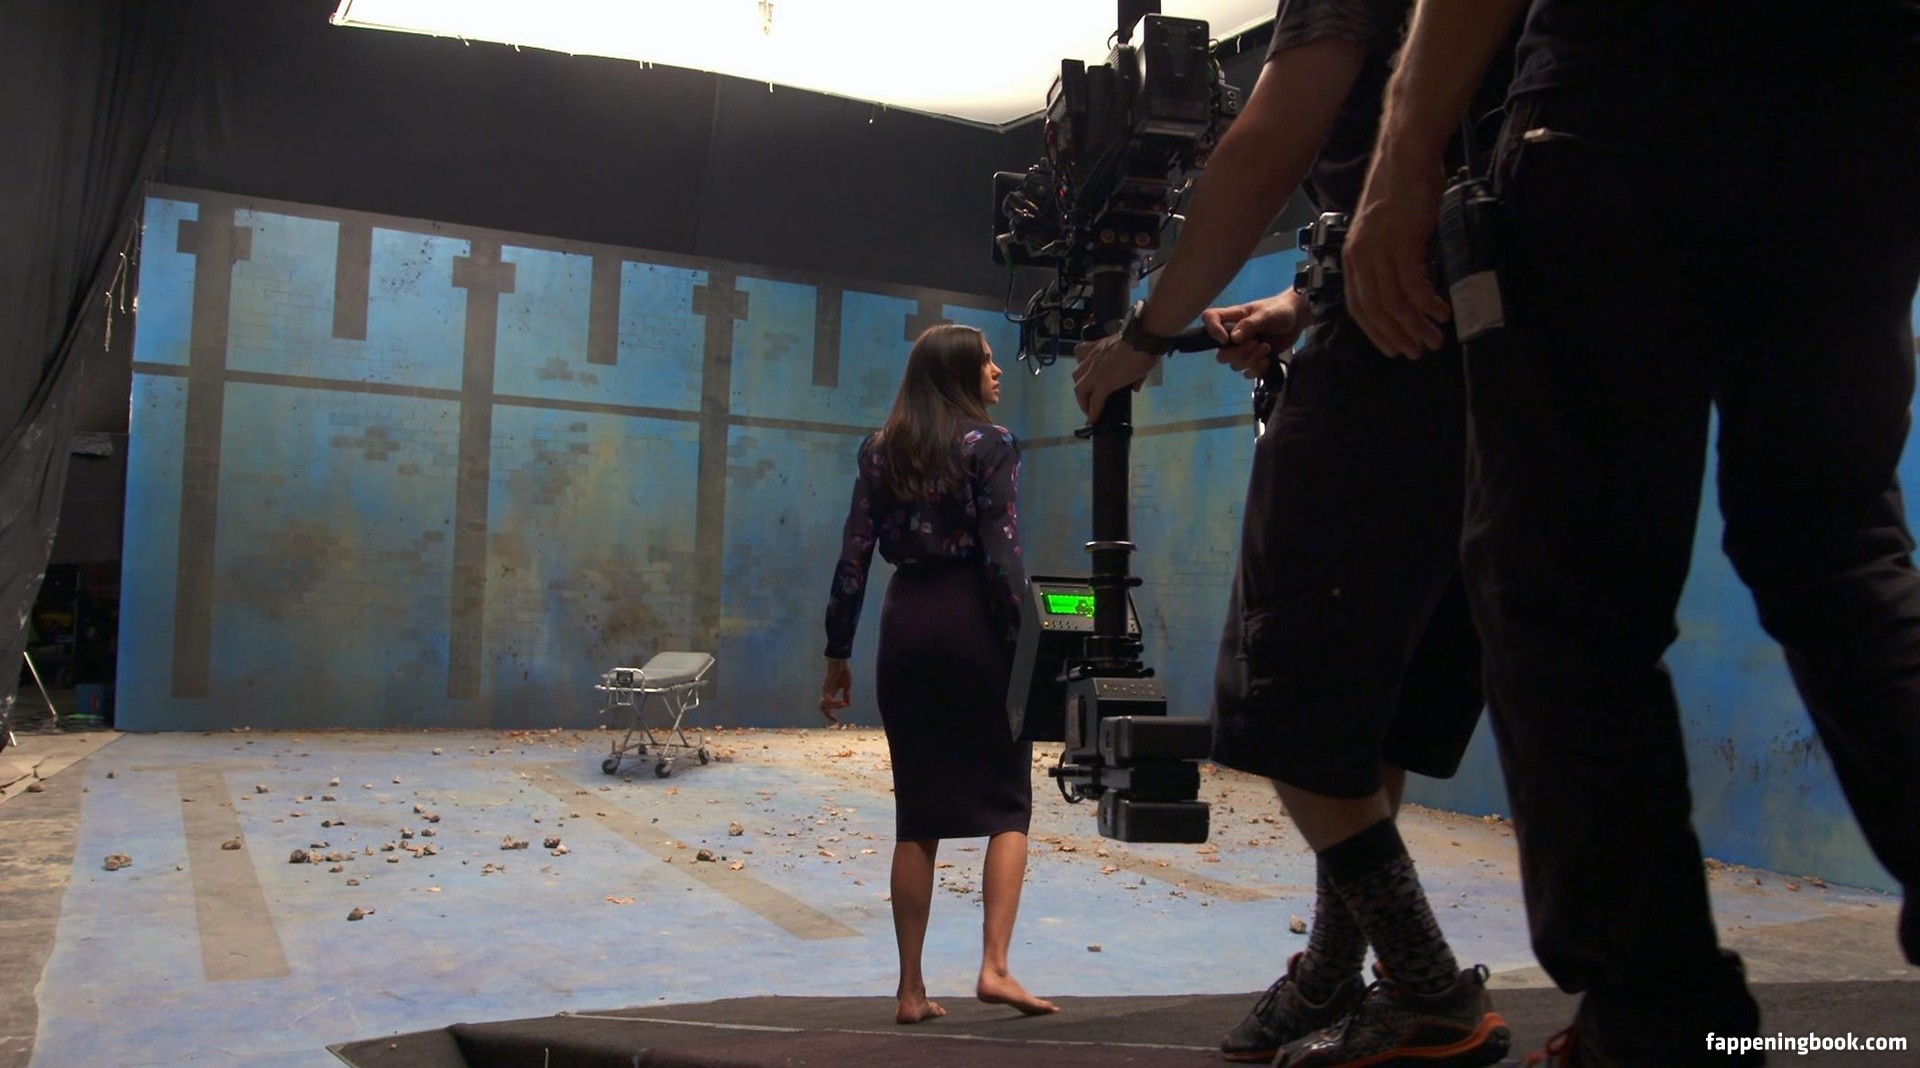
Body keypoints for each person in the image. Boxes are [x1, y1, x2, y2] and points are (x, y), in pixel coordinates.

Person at [1344, 2, 1920, 1064]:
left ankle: (1659, 1026)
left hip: (1623, 82)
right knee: (1838, 548)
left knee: (1564, 593)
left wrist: (1405, 152)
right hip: (1870, 91)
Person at [1071, 3, 1513, 1064]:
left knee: (1293, 697)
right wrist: (1303, 299)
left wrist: (1145, 334)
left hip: (1393, 359)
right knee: (1368, 711)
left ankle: (1424, 985)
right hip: (1501, 355)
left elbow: (1272, 141)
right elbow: (1444, 181)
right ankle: (1331, 972)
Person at [819, 323, 1059, 1025]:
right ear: (958, 373)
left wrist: (837, 652)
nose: (997, 371)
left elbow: (853, 557)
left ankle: (910, 991)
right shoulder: (992, 443)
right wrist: (1027, 648)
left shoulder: (879, 450)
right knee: (1008, 802)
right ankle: (995, 967)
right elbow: (1003, 556)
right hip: (973, 623)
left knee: (917, 814)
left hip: (907, 625)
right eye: (986, 361)